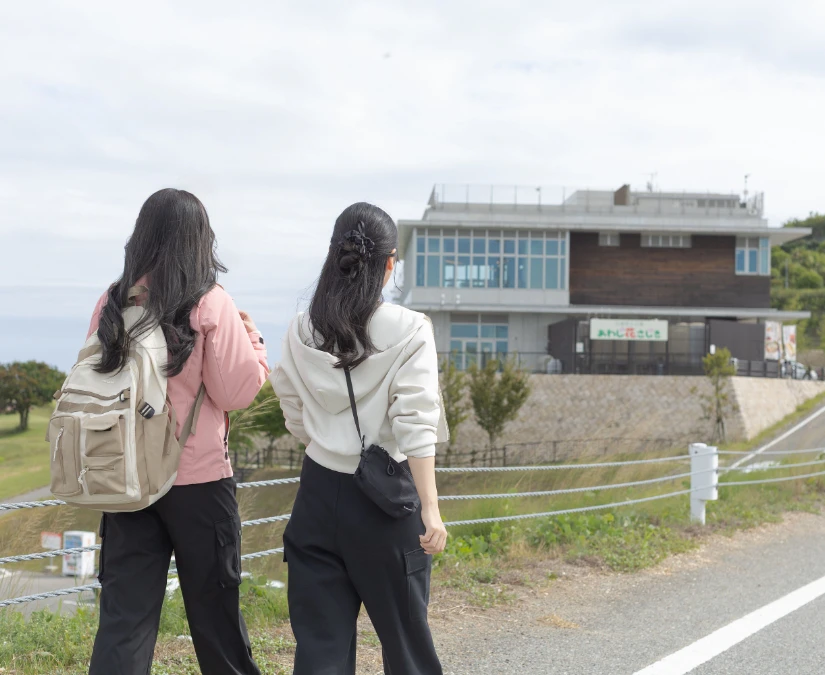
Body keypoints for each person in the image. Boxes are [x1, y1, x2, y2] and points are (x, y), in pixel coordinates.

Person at [87, 188, 268, 675]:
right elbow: (236, 391)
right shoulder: (210, 302)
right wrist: (254, 341)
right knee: (216, 617)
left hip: (126, 478)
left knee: (124, 620)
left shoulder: (114, 299)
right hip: (199, 483)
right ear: (199, 240)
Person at [273, 202, 448, 675]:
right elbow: (416, 422)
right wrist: (431, 507)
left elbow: (289, 402)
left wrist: (324, 439)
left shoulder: (301, 328)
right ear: (390, 263)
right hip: (384, 500)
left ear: (335, 255)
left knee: (320, 650)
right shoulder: (411, 329)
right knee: (407, 647)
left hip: (316, 494)